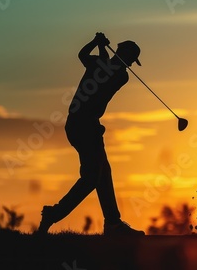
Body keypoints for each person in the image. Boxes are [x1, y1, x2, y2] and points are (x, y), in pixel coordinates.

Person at [37, 32, 144, 235]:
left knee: (103, 174)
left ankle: (113, 222)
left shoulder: (116, 72)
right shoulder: (114, 70)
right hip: (84, 126)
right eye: (129, 59)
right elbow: (90, 58)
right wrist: (98, 44)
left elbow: (89, 58)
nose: (129, 64)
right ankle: (53, 214)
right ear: (124, 56)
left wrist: (98, 44)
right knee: (91, 178)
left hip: (83, 125)